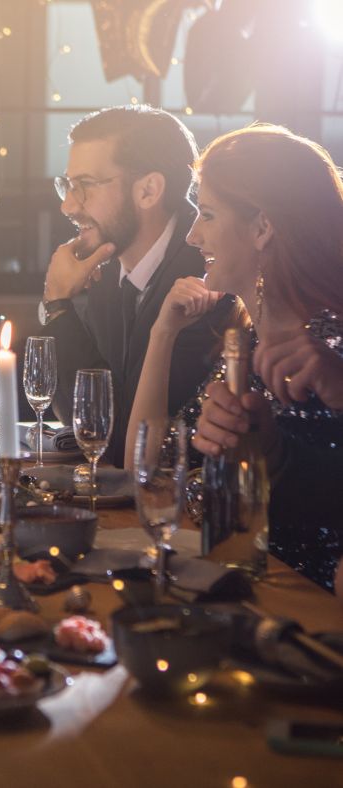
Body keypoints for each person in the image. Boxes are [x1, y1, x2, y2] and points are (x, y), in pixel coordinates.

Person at [129, 123, 343, 591]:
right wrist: (160, 333)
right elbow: (147, 471)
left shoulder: (330, 348)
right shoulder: (241, 341)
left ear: (263, 226)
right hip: (238, 586)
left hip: (310, 610)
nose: (191, 235)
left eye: (206, 214)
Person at [40, 106, 229, 468]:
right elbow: (82, 422)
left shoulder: (207, 273)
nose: (67, 205)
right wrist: (58, 302)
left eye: (85, 186)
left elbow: (117, 442)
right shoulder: (110, 269)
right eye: (67, 185)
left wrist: (59, 302)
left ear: (148, 190)